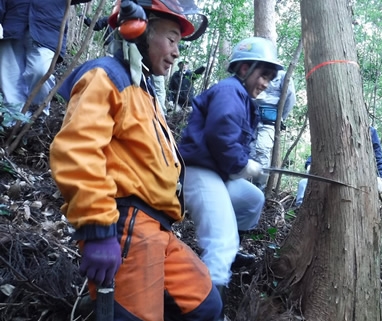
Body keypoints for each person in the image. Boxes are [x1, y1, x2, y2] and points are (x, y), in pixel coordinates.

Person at [49, 0, 221, 320]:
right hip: (126, 226)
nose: (176, 51)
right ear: (138, 27)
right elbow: (77, 150)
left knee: (205, 305)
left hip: (159, 229)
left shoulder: (143, 91)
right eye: (171, 39)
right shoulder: (106, 75)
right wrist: (98, 229)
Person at [178, 36, 283, 320]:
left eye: (270, 79)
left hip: (217, 173)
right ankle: (210, 310)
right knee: (220, 242)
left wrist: (242, 166)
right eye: (263, 75)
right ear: (244, 68)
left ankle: (231, 252)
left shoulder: (243, 98)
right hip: (199, 172)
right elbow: (220, 132)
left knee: (252, 199)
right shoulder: (229, 91)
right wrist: (242, 165)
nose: (265, 84)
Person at [0, 0, 91, 124]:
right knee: (10, 76)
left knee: (41, 70)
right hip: (12, 20)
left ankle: (36, 117)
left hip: (47, 26)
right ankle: (12, 122)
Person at [295, 126, 382, 206]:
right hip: (328, 174)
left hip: (358, 178)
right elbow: (318, 149)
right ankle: (299, 209)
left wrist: (380, 177)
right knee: (303, 183)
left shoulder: (370, 131)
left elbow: (377, 155)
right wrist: (310, 164)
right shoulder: (331, 128)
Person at [251, 69, 296, 190]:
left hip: (269, 119)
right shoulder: (254, 71)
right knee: (248, 151)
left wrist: (280, 118)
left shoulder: (282, 75)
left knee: (262, 150)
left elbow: (290, 98)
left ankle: (259, 188)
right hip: (250, 117)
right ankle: (244, 188)